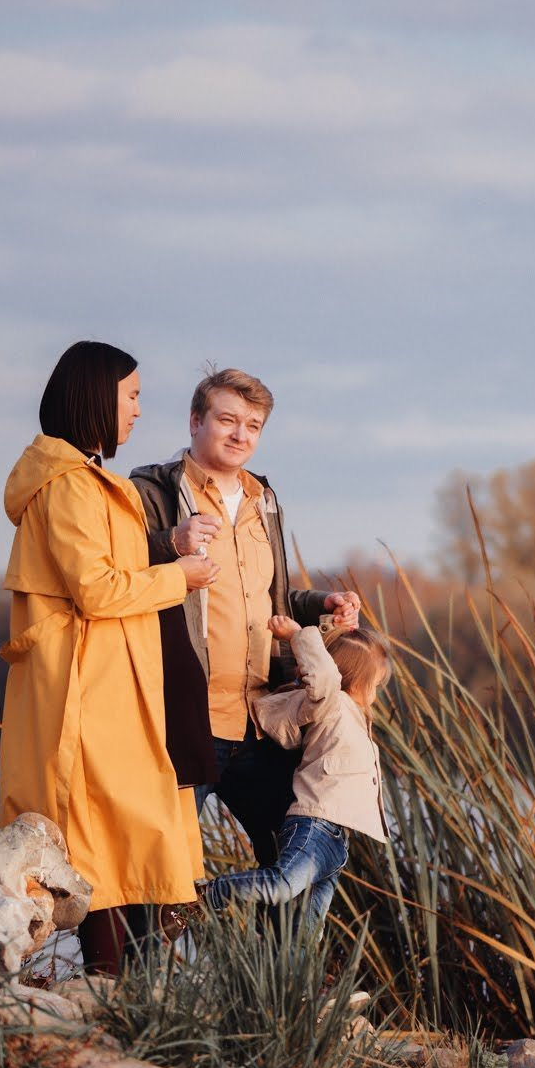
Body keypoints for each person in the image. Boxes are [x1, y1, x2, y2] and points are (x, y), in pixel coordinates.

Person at [0, 341, 218, 973]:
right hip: (86, 689)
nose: (140, 411)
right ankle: (104, 987)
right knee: (104, 836)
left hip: (116, 682)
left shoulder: (87, 481)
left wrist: (167, 545)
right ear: (97, 399)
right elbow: (95, 589)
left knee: (128, 832)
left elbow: (104, 566)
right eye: (133, 396)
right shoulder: (67, 486)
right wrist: (182, 577)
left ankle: (116, 990)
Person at [131, 368, 362, 864]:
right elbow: (115, 570)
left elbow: (268, 598)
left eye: (253, 426)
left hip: (261, 722)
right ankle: (149, 945)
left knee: (291, 863)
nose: (240, 435)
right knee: (159, 872)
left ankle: (276, 949)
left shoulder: (266, 500)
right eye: (227, 420)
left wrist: (321, 603)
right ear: (195, 421)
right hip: (185, 720)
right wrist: (168, 543)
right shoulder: (152, 490)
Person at [199, 617, 389, 932]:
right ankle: (209, 893)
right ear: (354, 677)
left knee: (305, 931)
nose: (376, 693)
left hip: (337, 841)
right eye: (375, 684)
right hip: (314, 825)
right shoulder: (332, 705)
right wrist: (299, 636)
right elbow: (324, 677)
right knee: (282, 884)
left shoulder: (356, 718)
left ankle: (290, 980)